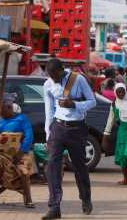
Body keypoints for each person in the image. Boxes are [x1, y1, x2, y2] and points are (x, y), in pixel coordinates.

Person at [42, 58, 96, 219]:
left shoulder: (78, 79)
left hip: (77, 128)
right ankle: (54, 207)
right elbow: (48, 110)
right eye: (50, 75)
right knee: (52, 166)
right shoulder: (48, 84)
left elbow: (92, 101)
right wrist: (48, 134)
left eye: (55, 75)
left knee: (79, 167)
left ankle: (86, 199)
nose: (53, 79)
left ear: (62, 69)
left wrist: (75, 105)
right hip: (57, 128)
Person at [0, 93, 34, 208]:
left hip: (21, 152)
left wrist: (21, 151)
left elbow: (29, 136)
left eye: (1, 111)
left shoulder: (22, 119)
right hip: (3, 154)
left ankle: (28, 198)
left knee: (24, 168)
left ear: (9, 107)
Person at [103, 83, 127, 185]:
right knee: (122, 155)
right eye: (118, 92)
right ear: (115, 92)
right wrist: (106, 134)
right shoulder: (114, 104)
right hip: (122, 131)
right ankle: (125, 178)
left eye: (122, 91)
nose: (121, 93)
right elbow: (110, 120)